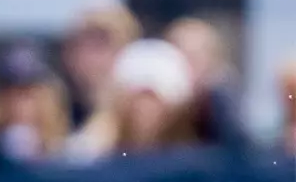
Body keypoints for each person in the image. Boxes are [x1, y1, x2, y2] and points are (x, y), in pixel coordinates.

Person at [67, 38, 200, 161]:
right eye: (138, 98)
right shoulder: (93, 149)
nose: (145, 109)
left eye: (154, 98)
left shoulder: (194, 153)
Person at [163, 16, 249, 148]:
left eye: (194, 57)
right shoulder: (152, 106)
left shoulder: (222, 109)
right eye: (179, 56)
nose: (185, 65)